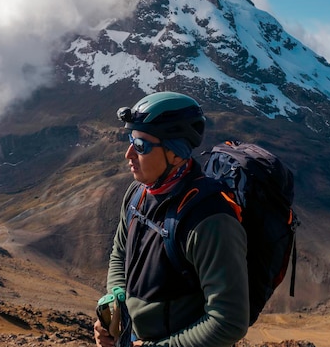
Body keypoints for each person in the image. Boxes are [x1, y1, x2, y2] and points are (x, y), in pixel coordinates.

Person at [94, 91, 249, 347]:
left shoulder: (210, 220)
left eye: (141, 146)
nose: (129, 154)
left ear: (176, 154)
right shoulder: (137, 194)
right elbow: (120, 253)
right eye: (130, 140)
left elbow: (228, 321)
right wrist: (117, 302)